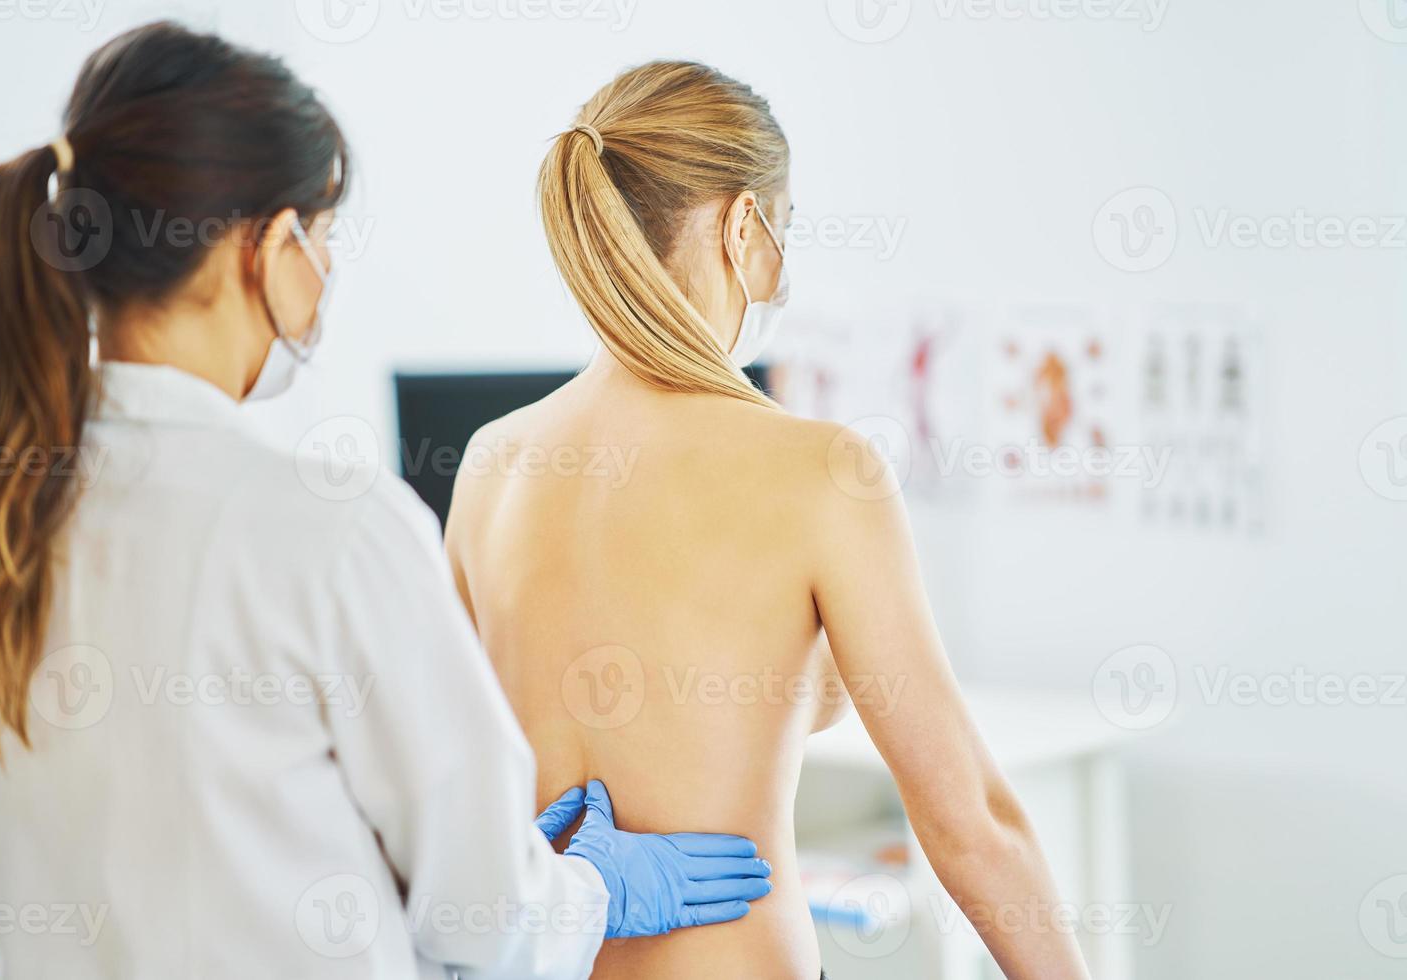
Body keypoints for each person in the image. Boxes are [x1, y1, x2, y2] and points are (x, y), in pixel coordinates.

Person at [0, 24, 772, 980]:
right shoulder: (325, 528)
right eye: (321, 237)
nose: (326, 272)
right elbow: (489, 923)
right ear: (260, 244)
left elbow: (199, 841)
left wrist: (431, 860)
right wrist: (581, 887)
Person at [445, 62, 1093, 979]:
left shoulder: (490, 463)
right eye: (783, 231)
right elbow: (970, 825)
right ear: (745, 225)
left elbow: (460, 793)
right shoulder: (822, 471)